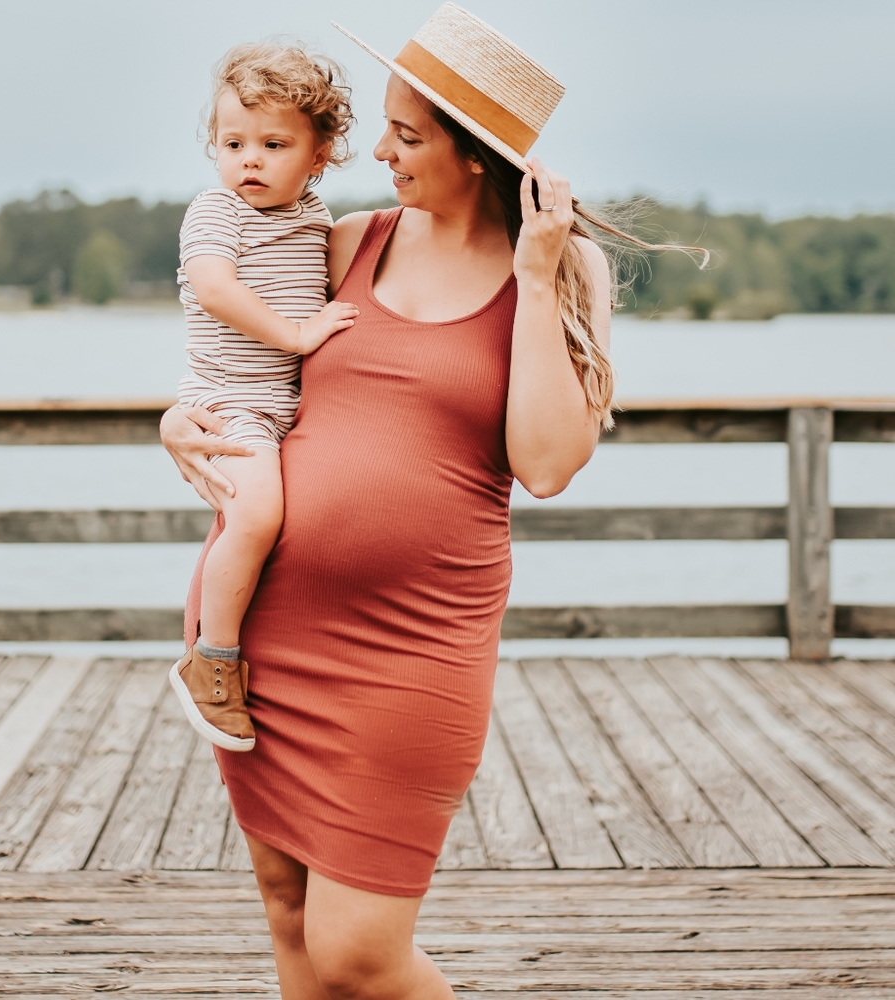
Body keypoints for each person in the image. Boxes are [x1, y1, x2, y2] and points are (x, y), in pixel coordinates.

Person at [161, 5, 702, 997]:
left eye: (407, 135)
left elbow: (545, 461)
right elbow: (238, 356)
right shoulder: (347, 243)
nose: (378, 150)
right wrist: (176, 420)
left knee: (360, 954)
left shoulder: (558, 266)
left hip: (414, 648)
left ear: (473, 155)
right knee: (292, 927)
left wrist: (535, 281)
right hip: (263, 639)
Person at [168, 42, 360, 751]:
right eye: (232, 142)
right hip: (231, 401)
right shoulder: (217, 211)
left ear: (319, 156)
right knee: (254, 519)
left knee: (286, 524)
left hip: (285, 408)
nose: (248, 159)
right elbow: (215, 289)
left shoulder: (315, 219)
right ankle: (213, 663)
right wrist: (298, 336)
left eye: (273, 144)